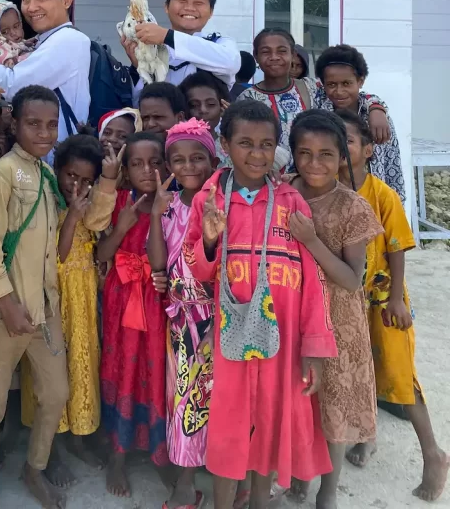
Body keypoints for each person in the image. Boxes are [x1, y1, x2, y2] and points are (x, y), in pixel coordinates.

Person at [184, 101, 337, 509]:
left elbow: (312, 281)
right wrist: (210, 241)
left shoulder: (291, 203)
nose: (257, 154)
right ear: (224, 145)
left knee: (270, 421)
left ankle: (258, 501)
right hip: (227, 337)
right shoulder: (210, 201)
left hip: (282, 338)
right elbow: (196, 269)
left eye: (266, 144)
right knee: (229, 427)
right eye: (245, 143)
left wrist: (314, 348)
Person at [0, 86, 116, 509]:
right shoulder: (3, 175)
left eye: (51, 125)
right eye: (33, 123)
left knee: (55, 395)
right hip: (9, 313)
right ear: (15, 123)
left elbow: (66, 239)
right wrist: (5, 303)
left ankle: (34, 468)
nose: (43, 132)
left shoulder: (48, 176)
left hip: (45, 311)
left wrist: (96, 193)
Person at [337, 110, 449, 502]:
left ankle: (433, 453)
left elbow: (397, 248)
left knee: (399, 376)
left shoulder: (381, 194)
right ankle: (366, 436)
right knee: (360, 370)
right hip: (344, 301)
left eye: (348, 141)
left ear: (368, 150)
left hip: (383, 298)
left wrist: (398, 297)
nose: (340, 149)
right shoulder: (326, 190)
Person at [287, 110, 382, 509]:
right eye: (304, 153)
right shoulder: (283, 192)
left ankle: (327, 491)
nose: (314, 163)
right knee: (299, 402)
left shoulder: (351, 207)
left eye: (326, 154)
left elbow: (351, 279)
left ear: (342, 157)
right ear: (292, 153)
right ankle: (298, 478)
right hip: (291, 314)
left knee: (333, 406)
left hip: (337, 320)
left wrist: (311, 240)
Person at [20, 134, 115, 466]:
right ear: (56, 169)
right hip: (53, 296)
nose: (77, 185)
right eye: (71, 175)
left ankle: (80, 432)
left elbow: (100, 227)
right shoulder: (46, 201)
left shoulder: (88, 204)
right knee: (53, 371)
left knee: (81, 362)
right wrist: (73, 215)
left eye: (86, 180)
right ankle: (53, 446)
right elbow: (57, 257)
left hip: (82, 295)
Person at [147, 119, 218, 509]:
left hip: (219, 316)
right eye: (179, 160)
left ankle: (236, 479)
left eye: (197, 158)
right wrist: (156, 214)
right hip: (182, 322)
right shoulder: (170, 206)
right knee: (186, 399)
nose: (188, 166)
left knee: (223, 398)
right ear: (168, 165)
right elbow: (158, 263)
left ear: (213, 160)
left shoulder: (222, 205)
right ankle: (187, 484)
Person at [98, 131, 169, 497]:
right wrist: (122, 227)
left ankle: (159, 452)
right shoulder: (119, 202)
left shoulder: (174, 205)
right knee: (122, 368)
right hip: (122, 297)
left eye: (154, 163)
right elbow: (101, 254)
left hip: (157, 300)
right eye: (137, 164)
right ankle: (118, 455)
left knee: (155, 372)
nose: (147, 171)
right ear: (125, 170)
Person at [0, 0, 90, 143]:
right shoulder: (39, 42)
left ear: (66, 1)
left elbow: (14, 86)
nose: (31, 7)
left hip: (56, 154)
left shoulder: (69, 40)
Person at [121, 0, 241, 95]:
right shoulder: (153, 48)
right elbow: (139, 100)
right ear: (166, 7)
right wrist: (139, 66)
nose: (190, 8)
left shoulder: (221, 43)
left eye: (198, 3)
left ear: (211, 12)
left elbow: (231, 63)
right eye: (182, 1)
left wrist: (166, 36)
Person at [315, 44, 405, 200]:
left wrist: (398, 202)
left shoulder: (378, 120)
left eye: (346, 83)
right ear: (323, 84)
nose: (339, 91)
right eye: (331, 84)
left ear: (360, 81)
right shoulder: (318, 118)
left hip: (374, 201)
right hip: (329, 200)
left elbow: (392, 164)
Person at [236, 29, 316, 168]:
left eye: (282, 51)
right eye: (266, 52)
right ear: (256, 56)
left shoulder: (311, 88)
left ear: (293, 54)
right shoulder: (247, 99)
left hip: (311, 175)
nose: (274, 57)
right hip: (267, 177)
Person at [179, 70, 230, 136]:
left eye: (211, 104)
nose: (203, 110)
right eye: (194, 105)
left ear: (222, 107)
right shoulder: (174, 141)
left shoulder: (230, 140)